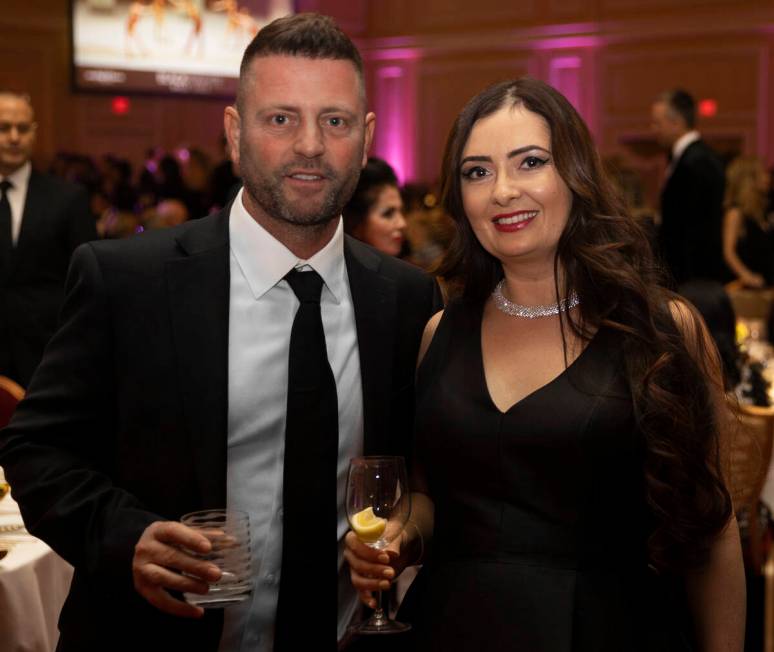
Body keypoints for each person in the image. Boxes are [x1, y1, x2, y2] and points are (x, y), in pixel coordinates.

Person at [0, 13, 440, 652]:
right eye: (281, 119)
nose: (311, 145)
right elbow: (37, 448)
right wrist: (126, 538)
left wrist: (402, 538)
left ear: (367, 138)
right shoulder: (128, 281)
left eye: (335, 121)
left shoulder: (404, 298)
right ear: (235, 134)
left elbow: (420, 477)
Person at [345, 77, 745, 650]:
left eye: (529, 162)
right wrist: (399, 540)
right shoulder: (440, 332)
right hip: (450, 624)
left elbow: (714, 530)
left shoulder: (663, 330)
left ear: (576, 175)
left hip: (608, 628)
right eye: (477, 172)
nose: (503, 191)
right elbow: (432, 497)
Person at [0, 91, 96, 388]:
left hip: (46, 353)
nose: (14, 137)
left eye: (23, 128)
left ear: (34, 133)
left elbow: (88, 281)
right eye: (4, 128)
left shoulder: (67, 198)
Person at [651, 89, 727, 286]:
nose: (653, 129)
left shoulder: (696, 161)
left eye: (657, 123)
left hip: (693, 277)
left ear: (676, 123)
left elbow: (692, 228)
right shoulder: (692, 157)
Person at [722, 155, 774, 288]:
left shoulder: (762, 210)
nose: (768, 178)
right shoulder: (735, 212)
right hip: (747, 287)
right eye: (762, 173)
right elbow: (728, 251)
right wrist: (747, 276)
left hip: (766, 284)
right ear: (749, 179)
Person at [342, 156, 407, 257]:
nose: (402, 224)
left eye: (402, 211)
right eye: (388, 214)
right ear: (355, 221)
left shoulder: (408, 270)